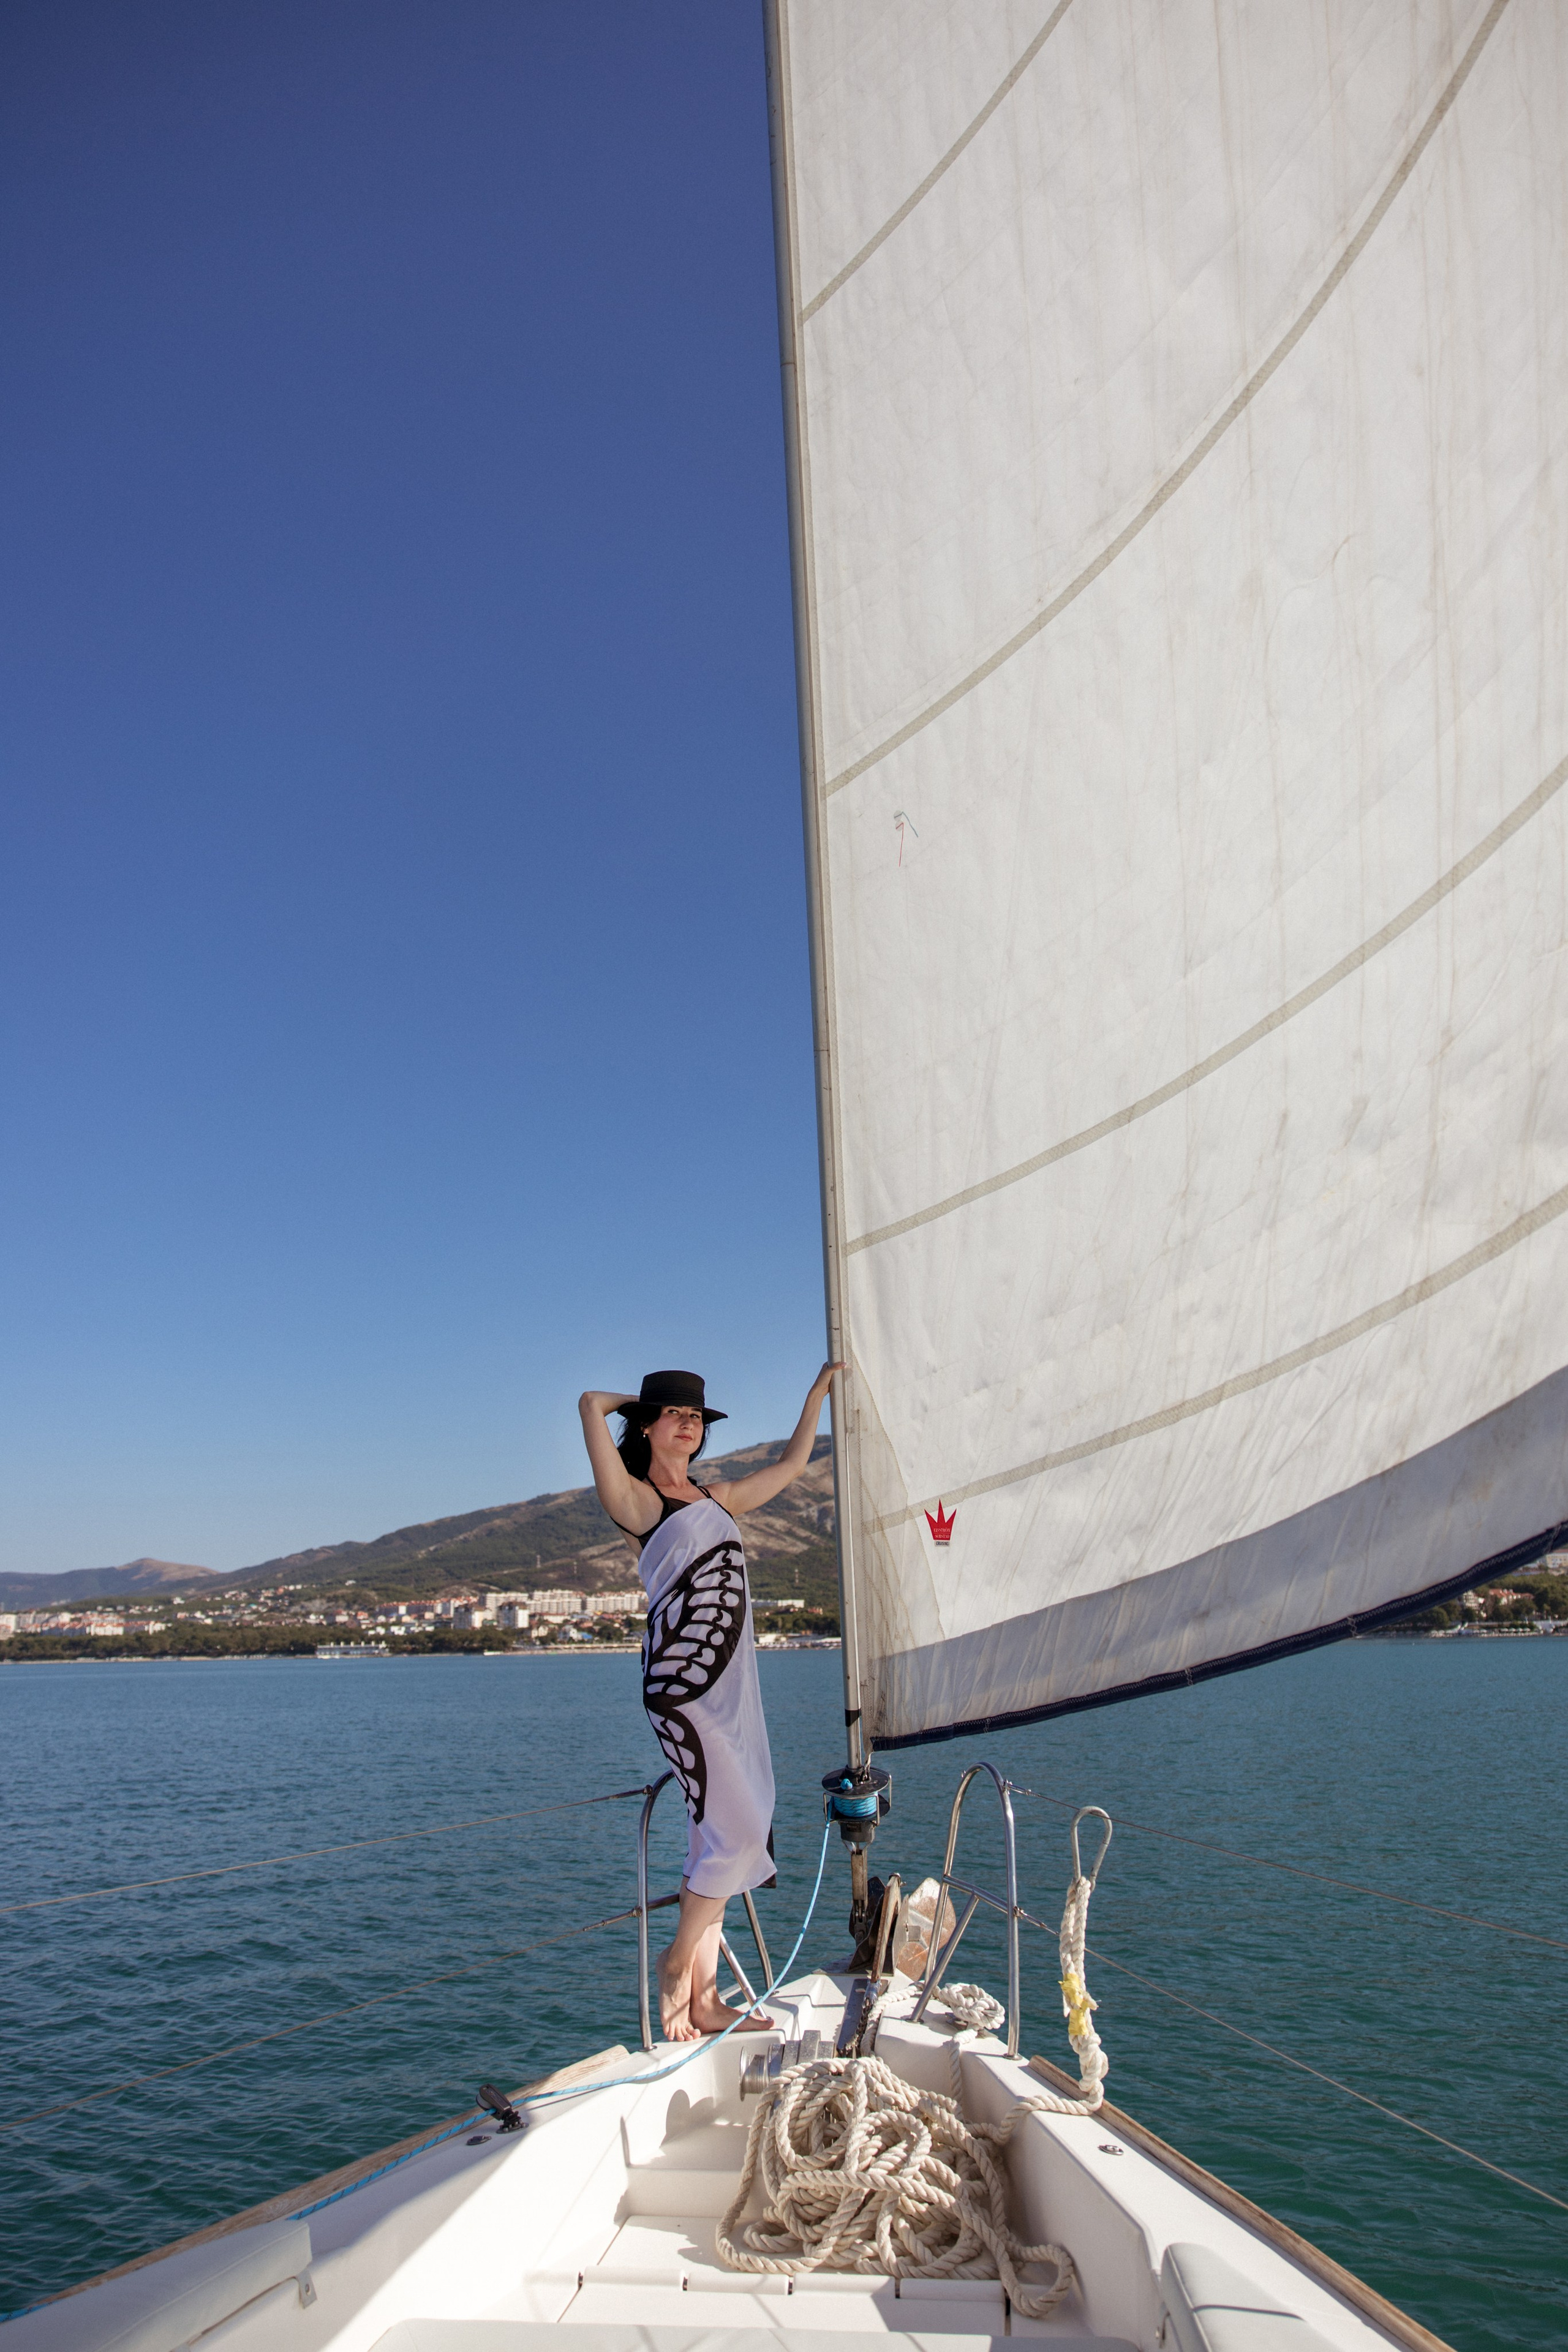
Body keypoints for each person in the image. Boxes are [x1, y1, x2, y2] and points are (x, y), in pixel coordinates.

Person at [579, 1362, 842, 2040]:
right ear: (645, 1424)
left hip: (731, 1687)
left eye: (696, 1414)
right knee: (741, 1826)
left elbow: (788, 1465)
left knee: (716, 1837)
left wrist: (813, 1395)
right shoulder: (639, 1502)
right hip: (684, 1686)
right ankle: (674, 1965)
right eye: (674, 1413)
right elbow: (588, 1404)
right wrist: (629, 1401)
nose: (689, 1421)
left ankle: (704, 1998)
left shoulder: (717, 1498)